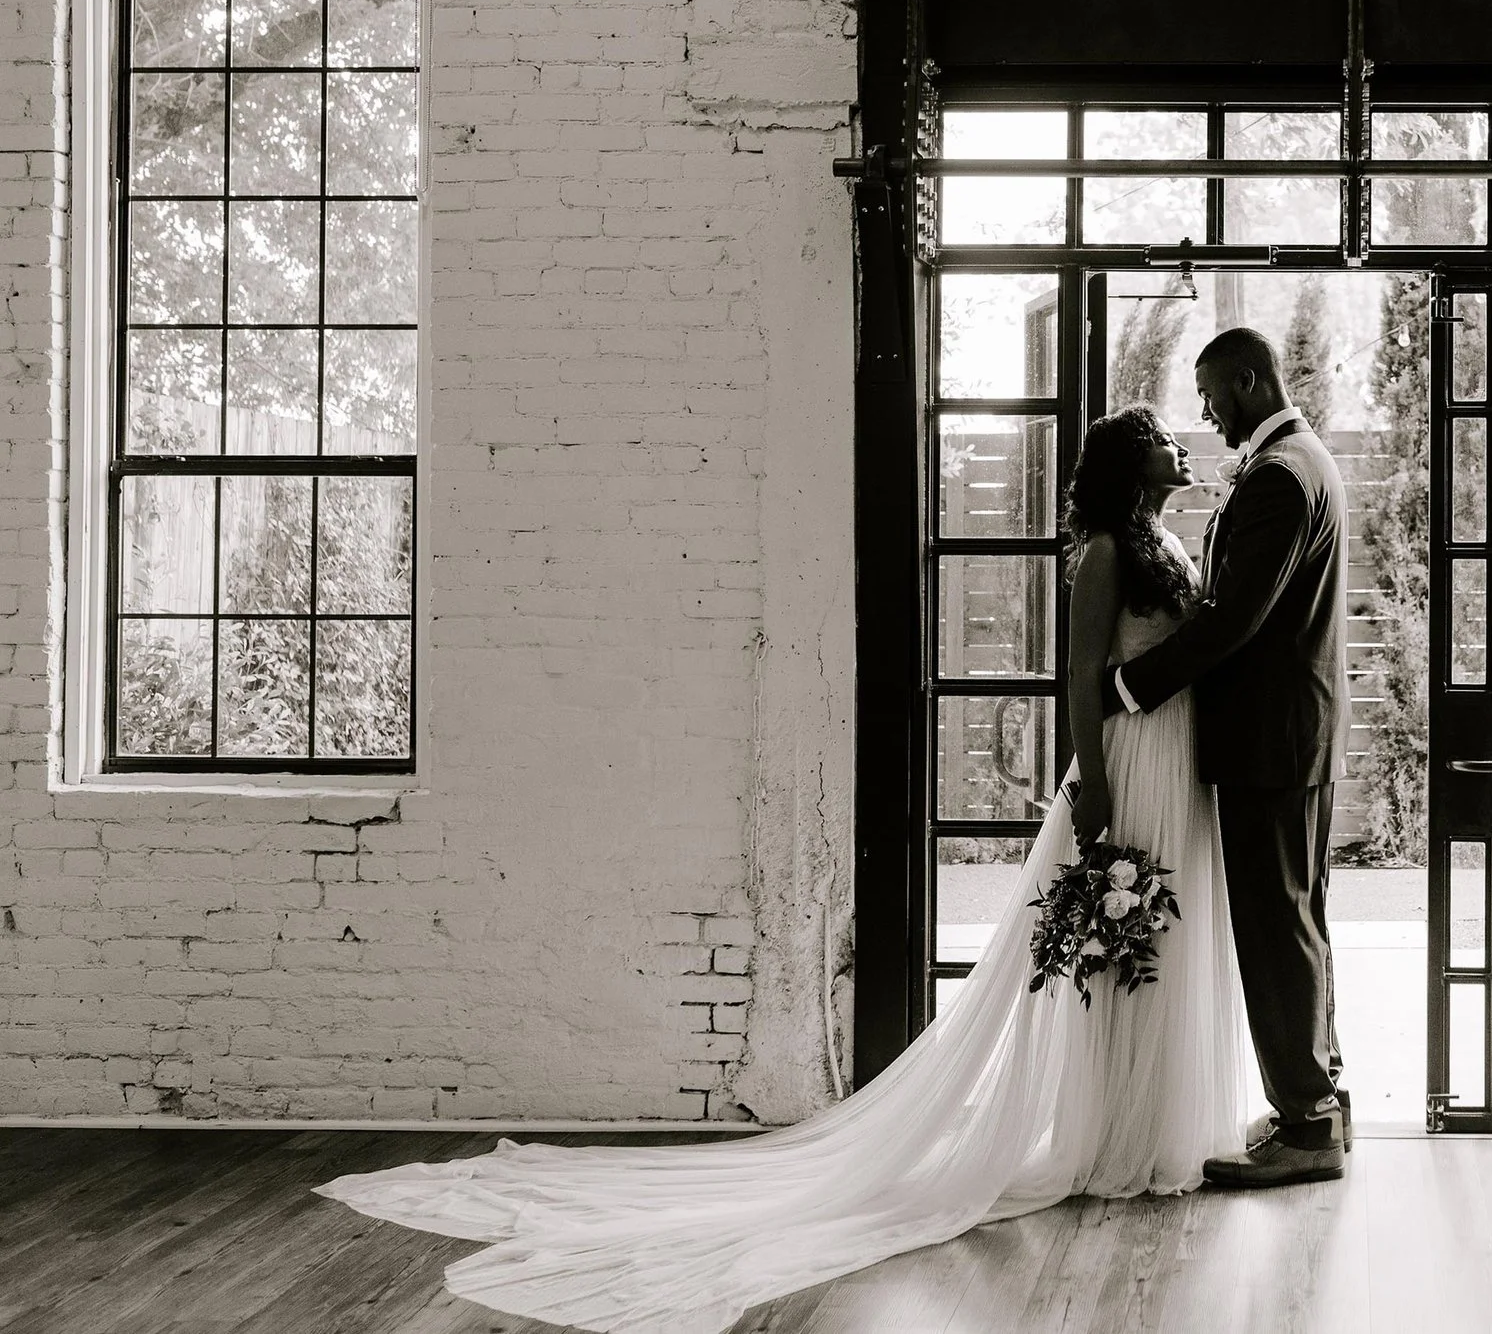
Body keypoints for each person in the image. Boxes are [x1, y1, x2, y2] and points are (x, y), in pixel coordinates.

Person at [316, 405, 1250, 1334]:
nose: (1181, 442)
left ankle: (1150, 1130)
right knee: (1108, 960)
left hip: (1174, 762)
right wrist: (1091, 789)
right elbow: (1079, 676)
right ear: (1135, 462)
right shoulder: (1102, 556)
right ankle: (1115, 1142)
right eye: (1164, 436)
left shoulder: (1165, 541)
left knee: (1152, 951)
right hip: (1126, 766)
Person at [1105, 326, 1352, 1188]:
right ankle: (1319, 1098)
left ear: (1248, 380)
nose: (1205, 413)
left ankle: (1307, 1128)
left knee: (1275, 927)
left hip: (1269, 741)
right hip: (1291, 737)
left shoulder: (1282, 477)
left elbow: (1236, 618)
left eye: (1212, 393)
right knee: (1299, 918)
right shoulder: (1299, 460)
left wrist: (1130, 688)